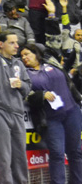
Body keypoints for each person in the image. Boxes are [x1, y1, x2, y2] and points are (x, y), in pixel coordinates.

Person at [0, 0, 31, 184]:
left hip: (18, 113)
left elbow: (28, 87)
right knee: (3, 159)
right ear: (1, 44)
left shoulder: (19, 64)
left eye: (17, 43)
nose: (16, 45)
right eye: (12, 42)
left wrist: (22, 85)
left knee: (21, 158)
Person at [21, 44, 82, 184]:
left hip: (71, 111)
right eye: (22, 55)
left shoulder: (51, 62)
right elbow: (25, 94)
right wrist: (40, 95)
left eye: (27, 54)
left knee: (76, 152)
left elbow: (67, 79)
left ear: (36, 53)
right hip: (50, 118)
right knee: (57, 154)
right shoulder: (25, 73)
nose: (24, 57)